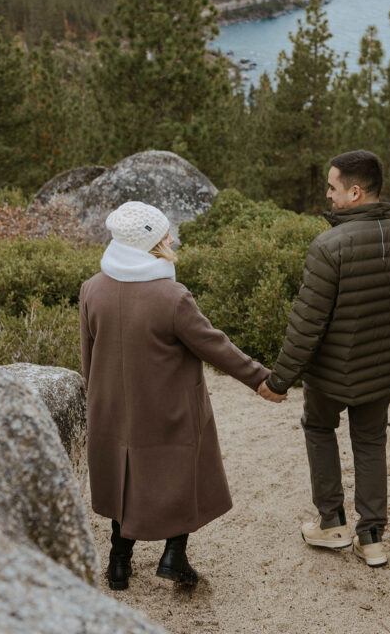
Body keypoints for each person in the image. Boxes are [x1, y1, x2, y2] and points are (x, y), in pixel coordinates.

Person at [79, 200, 280, 591]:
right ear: (151, 243)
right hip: (168, 407)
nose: (173, 238)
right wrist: (260, 380)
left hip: (111, 409)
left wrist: (97, 402)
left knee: (124, 476)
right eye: (166, 233)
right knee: (182, 473)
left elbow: (89, 356)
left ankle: (118, 564)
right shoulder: (171, 296)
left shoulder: (92, 288)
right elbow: (214, 345)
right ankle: (174, 556)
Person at [262, 150, 390, 567]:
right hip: (386, 370)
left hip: (331, 374)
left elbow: (307, 323)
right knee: (371, 439)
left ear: (355, 191)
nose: (327, 194)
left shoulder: (329, 245)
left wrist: (279, 380)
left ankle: (332, 523)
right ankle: (372, 537)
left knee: (320, 427)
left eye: (332, 186)